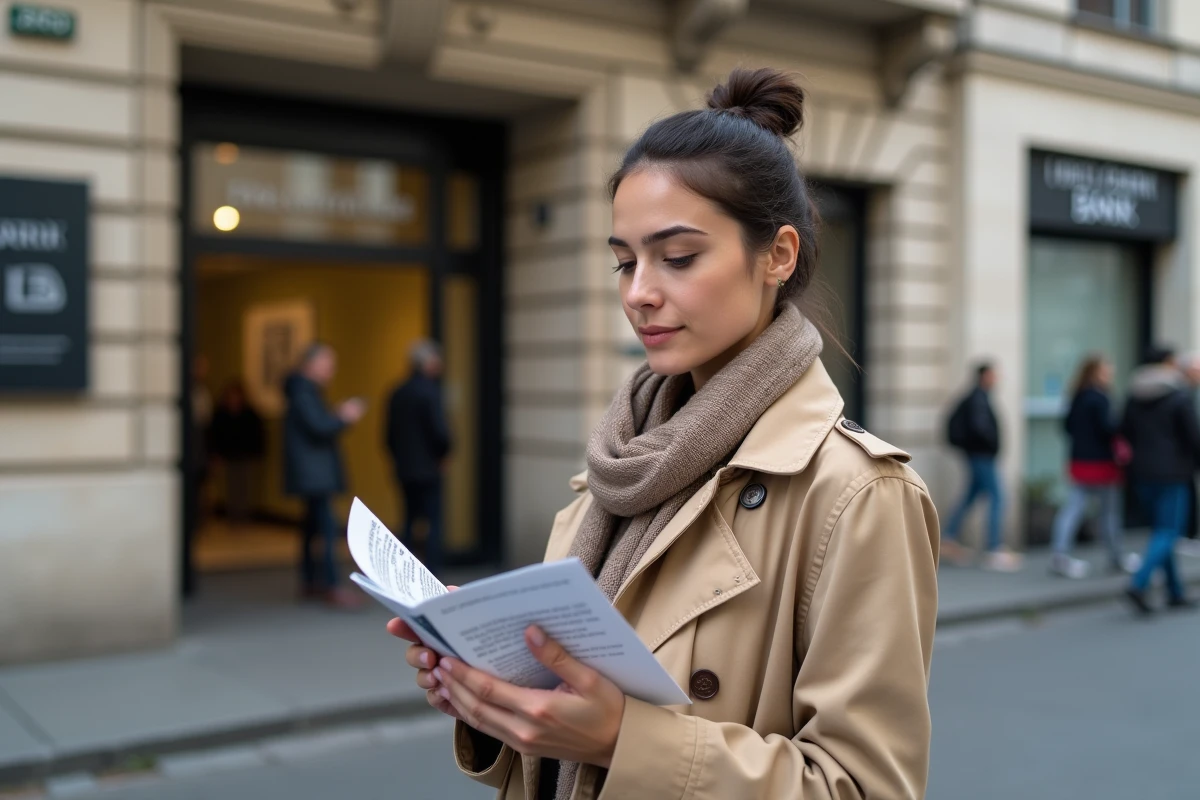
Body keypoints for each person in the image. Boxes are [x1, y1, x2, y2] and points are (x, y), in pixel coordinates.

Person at [388, 68, 939, 800]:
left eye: (677, 257)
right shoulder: (622, 461)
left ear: (777, 256)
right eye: (624, 260)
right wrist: (496, 692)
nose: (639, 292)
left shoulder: (857, 495)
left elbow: (865, 788)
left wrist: (624, 739)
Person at [283, 342, 366, 609]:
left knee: (312, 527)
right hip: (314, 473)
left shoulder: (303, 390)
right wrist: (344, 417)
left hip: (312, 473)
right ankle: (331, 585)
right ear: (311, 364)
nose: (332, 369)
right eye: (328, 363)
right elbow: (319, 428)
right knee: (328, 528)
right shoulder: (303, 392)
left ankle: (311, 581)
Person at [1120, 346, 1200, 614]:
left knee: (1161, 531)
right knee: (1169, 532)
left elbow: (1124, 430)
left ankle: (1174, 591)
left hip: (1142, 471)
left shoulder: (1134, 393)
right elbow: (1192, 437)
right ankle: (1139, 582)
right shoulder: (1179, 395)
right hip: (1173, 472)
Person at [1049, 356, 1139, 578]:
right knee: (1109, 513)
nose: (1111, 374)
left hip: (1079, 461)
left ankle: (1059, 555)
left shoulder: (1077, 396)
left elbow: (1067, 427)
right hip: (1103, 463)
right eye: (1107, 370)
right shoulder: (1100, 397)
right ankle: (1116, 557)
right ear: (1095, 372)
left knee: (1073, 509)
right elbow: (1108, 429)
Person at [943, 363, 1021, 571]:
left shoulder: (977, 396)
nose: (996, 379)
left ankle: (948, 538)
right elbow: (980, 428)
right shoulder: (978, 398)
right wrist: (989, 445)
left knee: (970, 495)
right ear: (984, 376)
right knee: (997, 497)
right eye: (993, 375)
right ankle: (994, 549)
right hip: (981, 456)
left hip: (977, 455)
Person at [385, 340, 452, 577]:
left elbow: (388, 436)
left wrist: (397, 459)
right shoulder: (430, 392)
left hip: (404, 468)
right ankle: (432, 573)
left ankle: (403, 573)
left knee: (408, 520)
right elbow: (440, 433)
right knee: (433, 522)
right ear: (429, 363)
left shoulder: (397, 391)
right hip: (429, 468)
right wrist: (443, 456)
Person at [210, 380, 267, 528]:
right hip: (229, 455)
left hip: (245, 454)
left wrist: (257, 452)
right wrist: (216, 454)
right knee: (232, 487)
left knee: (245, 487)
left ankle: (244, 515)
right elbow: (215, 435)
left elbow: (257, 434)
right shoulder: (221, 413)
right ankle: (233, 516)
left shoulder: (249, 413)